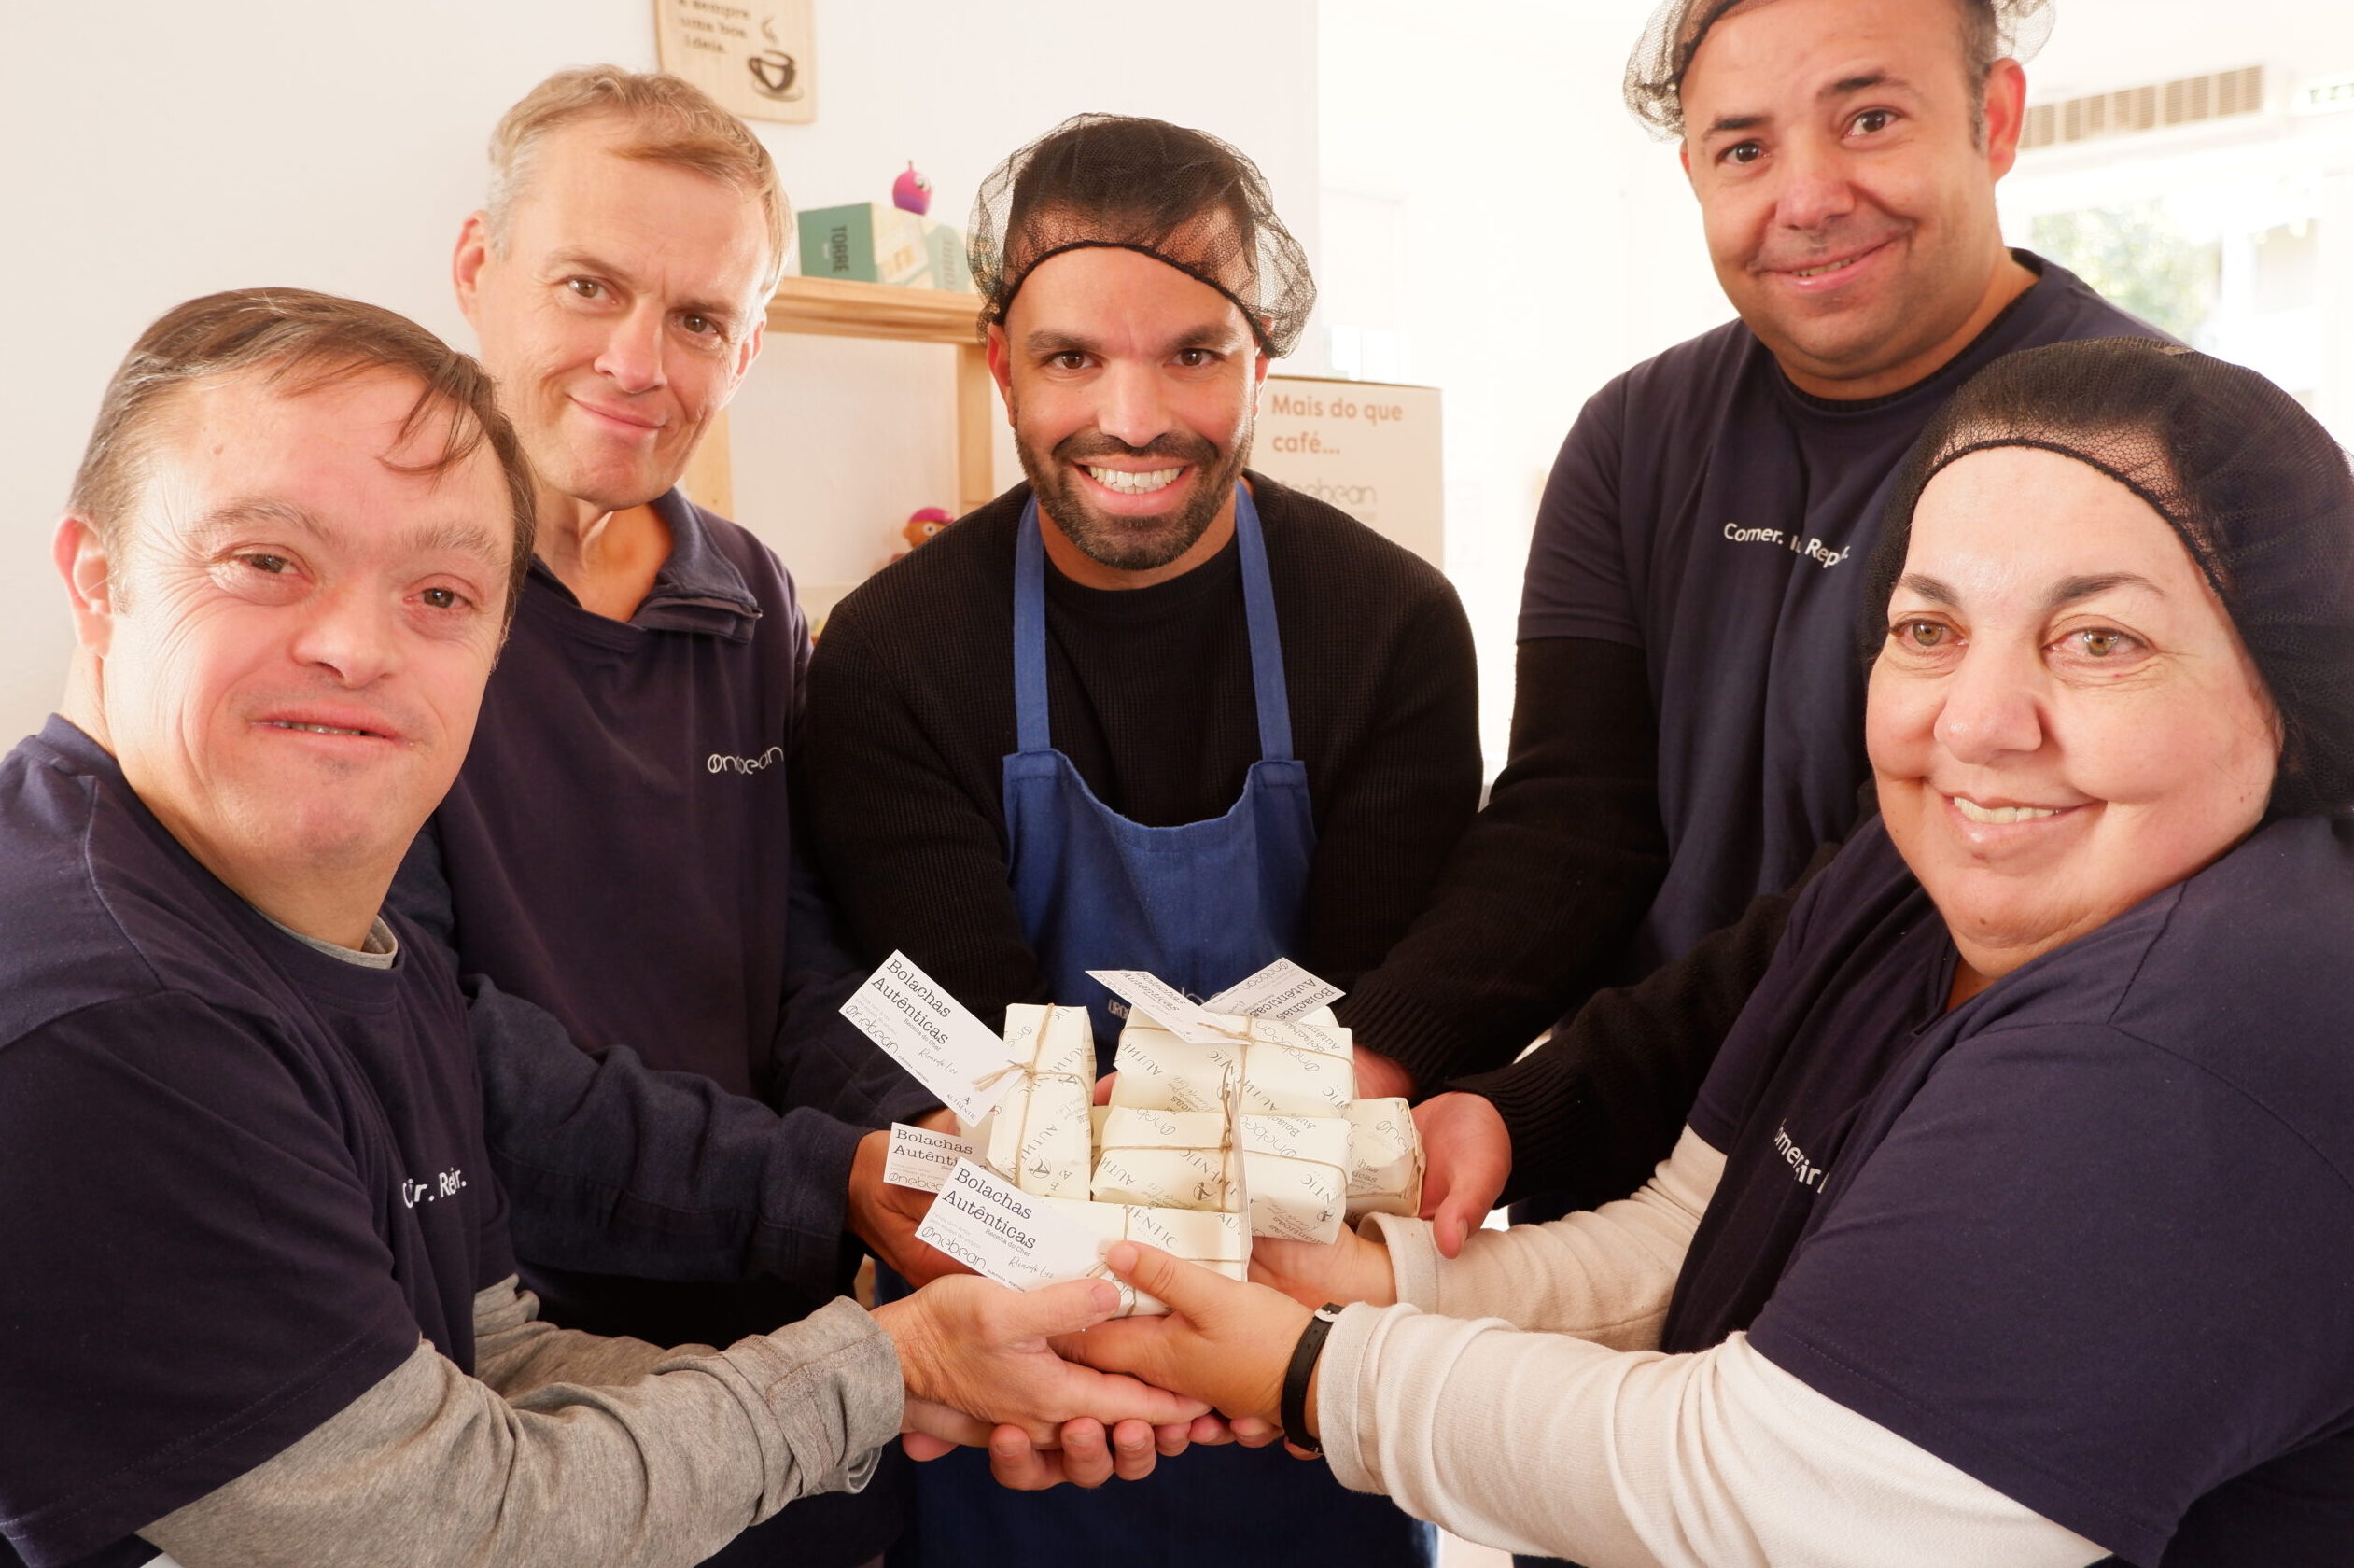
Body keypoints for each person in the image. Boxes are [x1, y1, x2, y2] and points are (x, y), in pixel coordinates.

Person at [1075, 336, 2354, 1567]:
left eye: (2099, 641)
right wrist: (1360, 1280)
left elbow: (1775, 1485)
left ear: (2291, 696)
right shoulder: (1910, 876)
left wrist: (1310, 1367)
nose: (1973, 723)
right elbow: (1692, 1236)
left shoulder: (2202, 1032)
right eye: (1927, 628)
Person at [0, 287, 1205, 1568]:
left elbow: (485, 1356)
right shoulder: (112, 1015)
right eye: (265, 562)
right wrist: (882, 1364)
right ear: (96, 583)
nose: (355, 645)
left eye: (442, 595)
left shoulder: (332, 932)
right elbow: (442, 1519)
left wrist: (913, 1380)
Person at [1342, 0, 2169, 1252]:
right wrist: (1372, 1063)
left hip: (1921, 1171)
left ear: (1991, 120)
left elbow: (1895, 901)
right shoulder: (1634, 435)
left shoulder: (2136, 448)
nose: (1807, 194)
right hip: (1618, 1147)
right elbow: (1574, 815)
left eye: (1869, 120)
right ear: (1691, 176)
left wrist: (1534, 1106)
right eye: (1742, 150)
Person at [802, 115, 1481, 1564]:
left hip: (1304, 1351)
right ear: (1000, 363)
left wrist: (1250, 1322)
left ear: (1258, 366)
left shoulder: (1388, 626)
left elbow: (1373, 1015)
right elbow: (975, 1054)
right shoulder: (892, 652)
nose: (1130, 418)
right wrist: (1078, 1301)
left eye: (1191, 353)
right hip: (1022, 1362)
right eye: (1069, 360)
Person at [385, 68, 954, 1566]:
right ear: (475, 272)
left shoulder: (750, 599)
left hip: (786, 1334)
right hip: (512, 1365)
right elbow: (432, 1044)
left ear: (750, 344)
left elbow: (795, 950)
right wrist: (827, 1178)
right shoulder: (376, 604)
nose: (636, 362)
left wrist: (930, 1136)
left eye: (700, 319)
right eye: (587, 286)